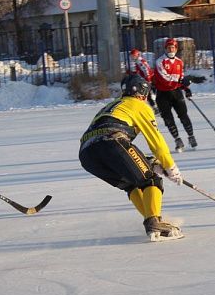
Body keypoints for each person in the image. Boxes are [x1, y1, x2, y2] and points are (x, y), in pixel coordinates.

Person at [79, 74, 184, 241]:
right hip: (111, 142)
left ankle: (153, 219)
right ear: (144, 92)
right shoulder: (139, 105)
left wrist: (151, 162)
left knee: (131, 185)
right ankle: (154, 222)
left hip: (87, 153)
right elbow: (156, 141)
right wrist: (170, 166)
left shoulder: (113, 105)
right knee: (151, 180)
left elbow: (124, 153)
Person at [153, 37, 196, 152]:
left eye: (173, 47)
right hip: (163, 94)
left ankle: (191, 136)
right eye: (169, 47)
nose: (171, 49)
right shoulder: (160, 61)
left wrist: (186, 88)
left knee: (184, 115)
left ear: (176, 49)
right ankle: (177, 139)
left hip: (176, 93)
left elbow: (181, 77)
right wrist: (180, 81)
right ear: (165, 49)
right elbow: (164, 78)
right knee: (168, 119)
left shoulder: (179, 62)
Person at [128, 49, 159, 115]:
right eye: (131, 56)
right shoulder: (139, 61)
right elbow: (140, 71)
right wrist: (133, 72)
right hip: (146, 79)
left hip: (147, 80)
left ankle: (155, 108)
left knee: (146, 94)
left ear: (137, 55)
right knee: (146, 95)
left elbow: (146, 70)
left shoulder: (139, 61)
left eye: (133, 56)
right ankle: (154, 108)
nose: (132, 57)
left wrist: (148, 80)